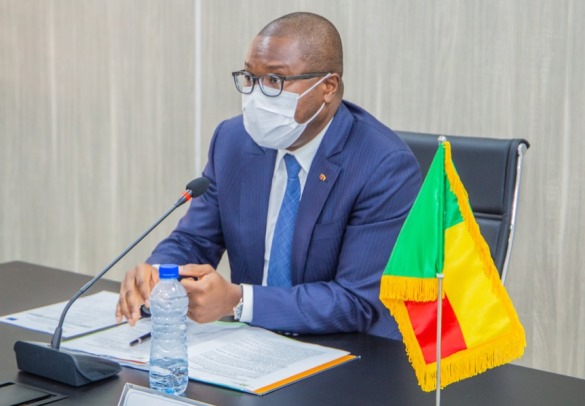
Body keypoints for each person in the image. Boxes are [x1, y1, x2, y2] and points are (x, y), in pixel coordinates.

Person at [116, 12, 421, 339]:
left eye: (275, 80)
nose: (256, 94)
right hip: (250, 346)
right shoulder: (233, 141)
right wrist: (157, 274)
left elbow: (355, 301)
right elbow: (195, 240)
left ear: (328, 87)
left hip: (342, 349)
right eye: (250, 77)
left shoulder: (383, 165)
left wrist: (238, 301)